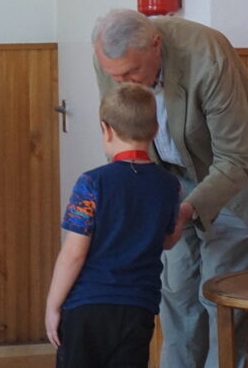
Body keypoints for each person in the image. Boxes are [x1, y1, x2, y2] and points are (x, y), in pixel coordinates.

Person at [92, 9, 248, 368]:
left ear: (156, 45)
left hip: (236, 183)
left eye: (131, 72)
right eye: (115, 76)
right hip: (169, 180)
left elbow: (236, 159)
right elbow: (122, 138)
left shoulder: (206, 56)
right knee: (177, 297)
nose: (123, 83)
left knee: (220, 298)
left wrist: (187, 210)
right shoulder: (111, 62)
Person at [45, 84, 181, 368]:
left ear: (106, 130)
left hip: (87, 306)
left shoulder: (91, 183)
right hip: (138, 307)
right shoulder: (169, 185)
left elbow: (73, 254)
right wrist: (184, 214)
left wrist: (52, 306)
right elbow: (167, 240)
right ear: (155, 129)